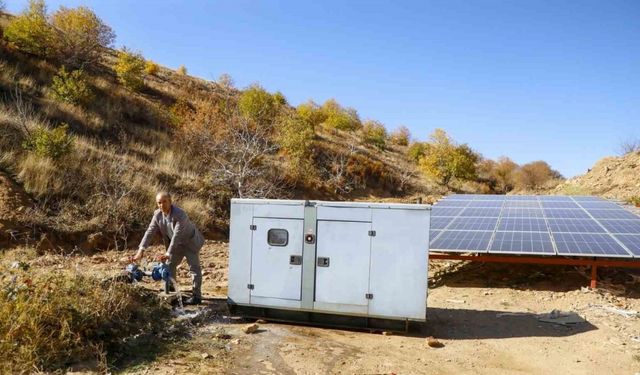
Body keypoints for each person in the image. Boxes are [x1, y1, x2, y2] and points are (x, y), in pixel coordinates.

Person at [133, 192, 205, 305]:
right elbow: (150, 232)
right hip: (175, 244)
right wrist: (140, 250)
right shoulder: (157, 215)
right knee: (170, 265)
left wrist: (168, 252)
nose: (162, 205)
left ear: (170, 201)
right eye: (159, 203)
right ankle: (171, 287)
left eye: (164, 202)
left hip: (189, 242)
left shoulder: (180, 214)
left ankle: (196, 296)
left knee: (194, 268)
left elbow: (177, 235)